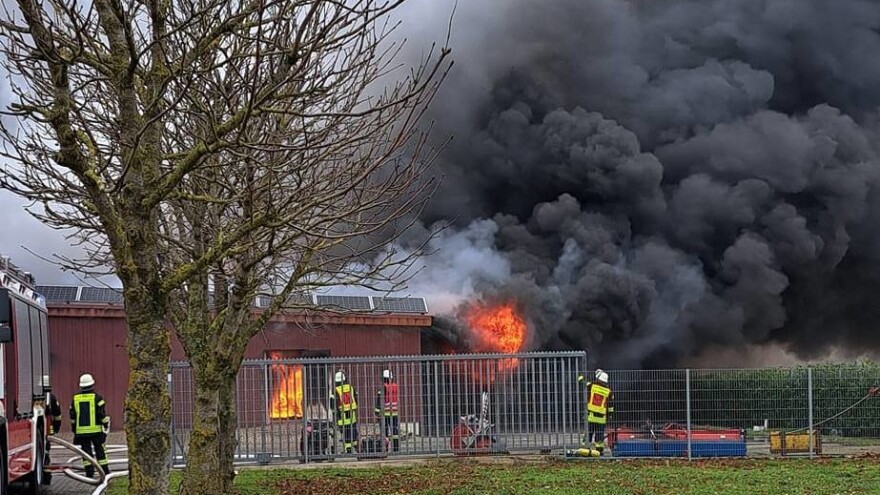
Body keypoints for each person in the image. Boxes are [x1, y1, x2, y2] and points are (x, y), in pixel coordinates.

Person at [70, 373, 110, 477]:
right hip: (96, 431)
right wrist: (106, 423)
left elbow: (72, 416)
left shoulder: (75, 398)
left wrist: (74, 429)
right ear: (92, 384)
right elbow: (101, 414)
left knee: (86, 453)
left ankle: (89, 472)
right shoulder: (97, 398)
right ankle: (105, 472)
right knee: (100, 450)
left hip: (82, 432)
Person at [578, 368, 614, 455]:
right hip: (601, 419)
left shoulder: (592, 386)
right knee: (599, 436)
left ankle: (585, 450)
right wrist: (610, 416)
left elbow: (582, 383)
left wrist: (581, 375)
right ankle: (599, 452)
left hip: (590, 416)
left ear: (598, 378)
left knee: (588, 433)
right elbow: (610, 406)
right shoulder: (609, 392)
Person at [329, 370, 359, 454]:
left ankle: (347, 450)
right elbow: (356, 398)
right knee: (352, 431)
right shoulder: (351, 387)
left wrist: (334, 414)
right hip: (352, 414)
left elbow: (332, 404)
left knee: (345, 433)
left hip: (342, 415)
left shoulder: (336, 390)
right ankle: (357, 447)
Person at [374, 369, 400, 452]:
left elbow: (379, 400)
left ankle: (385, 449)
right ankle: (396, 449)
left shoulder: (383, 387)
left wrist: (377, 412)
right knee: (395, 432)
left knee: (384, 432)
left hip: (385, 413)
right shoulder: (395, 386)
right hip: (395, 412)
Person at [44, 376, 62, 484]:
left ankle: (46, 476)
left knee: (45, 453)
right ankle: (46, 477)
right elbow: (57, 416)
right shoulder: (52, 398)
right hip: (47, 431)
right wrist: (56, 428)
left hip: (39, 432)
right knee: (46, 453)